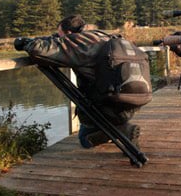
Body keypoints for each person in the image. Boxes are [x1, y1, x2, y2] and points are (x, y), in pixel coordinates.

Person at [14, 15, 152, 148]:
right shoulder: (105, 37)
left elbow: (39, 49)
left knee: (85, 140)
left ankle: (123, 131)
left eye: (60, 34)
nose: (59, 38)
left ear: (68, 33)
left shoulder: (79, 42)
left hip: (105, 103)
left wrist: (24, 42)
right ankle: (121, 129)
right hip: (128, 101)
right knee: (105, 120)